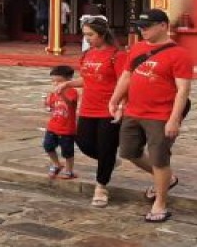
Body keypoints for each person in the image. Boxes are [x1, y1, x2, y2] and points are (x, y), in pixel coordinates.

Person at [108, 9, 193, 224]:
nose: (142, 30)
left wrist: (174, 119)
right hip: (133, 111)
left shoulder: (179, 54)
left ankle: (160, 202)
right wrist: (115, 99)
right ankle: (167, 180)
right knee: (128, 152)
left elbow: (182, 90)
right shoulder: (137, 48)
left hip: (160, 115)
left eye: (147, 26)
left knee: (159, 159)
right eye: (140, 26)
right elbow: (127, 75)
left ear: (163, 26)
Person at [56, 15, 138, 207]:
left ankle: (101, 186)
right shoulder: (87, 55)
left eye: (90, 35)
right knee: (84, 143)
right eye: (85, 35)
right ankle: (108, 160)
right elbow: (87, 78)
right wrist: (68, 83)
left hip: (108, 108)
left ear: (102, 34)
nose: (87, 38)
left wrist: (120, 106)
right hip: (88, 108)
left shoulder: (117, 55)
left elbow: (124, 83)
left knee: (106, 146)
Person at [44, 65, 78, 180]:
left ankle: (69, 171)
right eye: (53, 81)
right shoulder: (53, 93)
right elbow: (50, 108)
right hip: (53, 126)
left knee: (67, 151)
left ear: (68, 81)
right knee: (48, 146)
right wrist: (47, 101)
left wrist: (61, 94)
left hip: (67, 128)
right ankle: (56, 164)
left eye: (59, 81)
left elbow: (70, 104)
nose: (55, 84)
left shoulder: (72, 92)